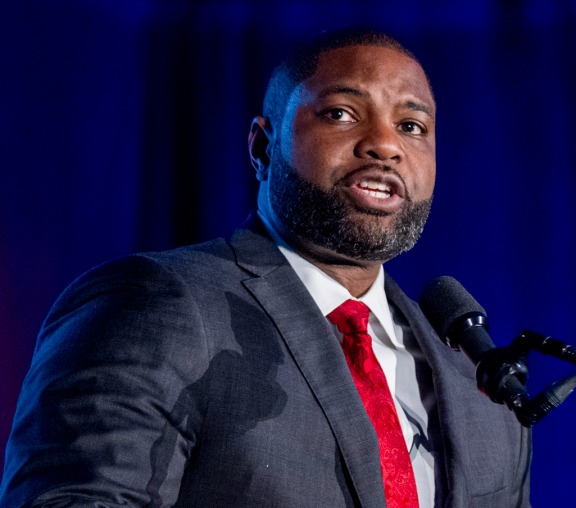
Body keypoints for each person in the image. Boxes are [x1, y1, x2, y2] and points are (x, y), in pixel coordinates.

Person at [0, 28, 531, 507]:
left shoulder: (475, 380)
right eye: (341, 113)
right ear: (262, 145)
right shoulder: (154, 302)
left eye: (412, 125)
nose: (385, 145)